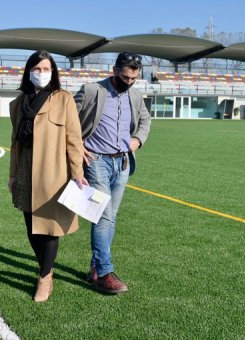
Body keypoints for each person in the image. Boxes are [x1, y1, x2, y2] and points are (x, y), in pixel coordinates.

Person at [8, 50, 88, 302]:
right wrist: (12, 174)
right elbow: (15, 143)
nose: (41, 73)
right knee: (32, 226)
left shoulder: (63, 99)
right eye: (37, 69)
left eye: (46, 69)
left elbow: (74, 139)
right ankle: (48, 270)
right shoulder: (18, 104)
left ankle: (44, 277)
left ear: (53, 72)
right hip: (25, 168)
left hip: (54, 172)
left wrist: (77, 173)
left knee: (50, 229)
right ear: (28, 71)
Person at [74, 51, 151, 294]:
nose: (128, 83)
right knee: (104, 215)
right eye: (125, 77)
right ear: (115, 70)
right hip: (96, 161)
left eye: (133, 79)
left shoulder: (136, 95)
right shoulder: (91, 90)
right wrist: (77, 148)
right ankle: (105, 272)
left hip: (123, 163)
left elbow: (145, 120)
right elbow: (68, 121)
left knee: (110, 216)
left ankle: (95, 269)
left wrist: (137, 139)